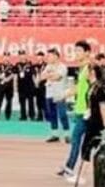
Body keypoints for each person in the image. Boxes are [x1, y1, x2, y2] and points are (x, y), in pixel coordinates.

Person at [59, 40, 93, 179]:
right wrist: (65, 94)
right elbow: (79, 87)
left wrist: (90, 108)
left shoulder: (90, 68)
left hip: (86, 110)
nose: (76, 53)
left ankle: (70, 167)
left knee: (76, 138)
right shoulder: (82, 68)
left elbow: (94, 88)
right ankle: (69, 166)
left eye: (79, 51)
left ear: (87, 52)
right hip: (80, 109)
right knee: (79, 140)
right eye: (75, 51)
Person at [39, 48, 70, 142]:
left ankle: (67, 134)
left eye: (50, 56)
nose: (48, 58)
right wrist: (50, 75)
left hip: (59, 93)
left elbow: (58, 77)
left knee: (62, 114)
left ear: (56, 56)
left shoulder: (62, 67)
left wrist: (49, 75)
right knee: (52, 114)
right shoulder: (48, 66)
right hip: (49, 93)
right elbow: (41, 77)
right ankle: (55, 134)